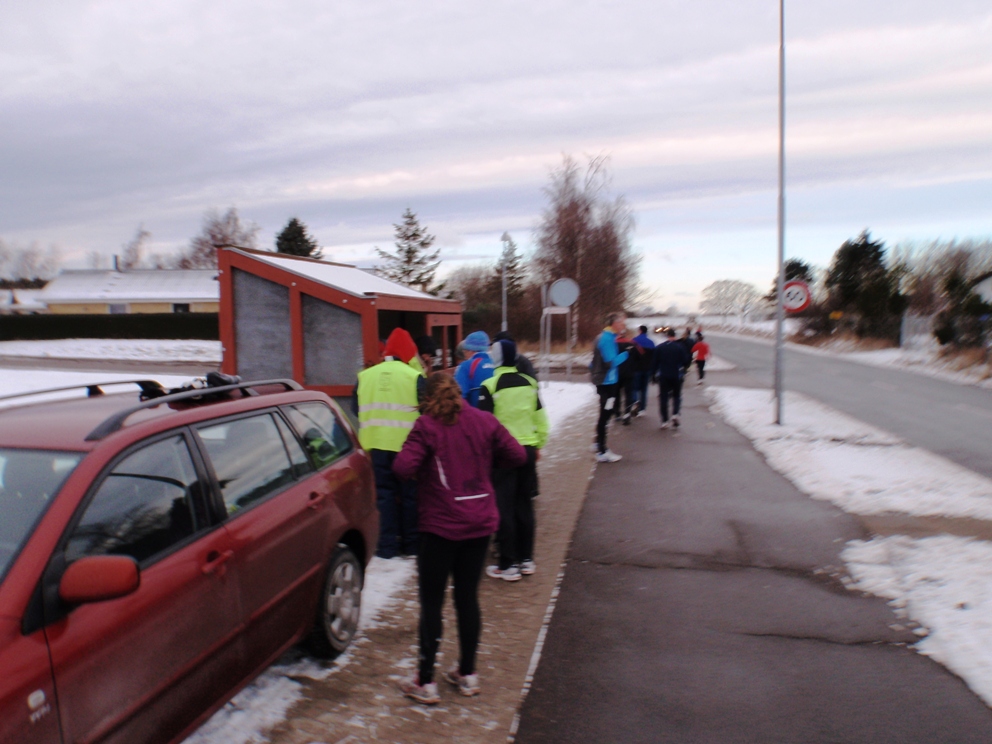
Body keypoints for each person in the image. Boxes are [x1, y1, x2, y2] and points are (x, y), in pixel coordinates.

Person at [393, 373, 527, 705]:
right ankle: (467, 674)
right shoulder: (484, 421)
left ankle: (425, 681)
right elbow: (517, 455)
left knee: (432, 604)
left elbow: (402, 467)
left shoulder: (426, 426)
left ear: (427, 398)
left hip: (439, 527)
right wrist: (483, 466)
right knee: (467, 599)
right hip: (480, 525)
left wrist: (423, 469)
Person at [478, 338, 548, 581]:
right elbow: (541, 419)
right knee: (524, 505)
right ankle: (526, 559)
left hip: (503, 454)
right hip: (528, 449)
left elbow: (485, 426)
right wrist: (538, 444)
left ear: (495, 358)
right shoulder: (530, 383)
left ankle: (507, 564)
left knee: (503, 507)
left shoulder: (490, 386)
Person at [354, 328, 425, 558]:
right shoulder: (414, 377)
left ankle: (386, 546)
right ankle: (411, 544)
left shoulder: (365, 376)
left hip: (375, 446)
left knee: (383, 496)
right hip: (407, 448)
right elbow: (426, 412)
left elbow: (356, 409)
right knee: (409, 496)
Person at [589, 312, 629, 462]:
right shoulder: (606, 339)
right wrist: (626, 355)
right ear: (614, 323)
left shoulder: (605, 336)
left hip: (605, 381)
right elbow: (610, 362)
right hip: (607, 383)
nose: (623, 326)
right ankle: (602, 451)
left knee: (605, 413)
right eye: (622, 323)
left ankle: (598, 443)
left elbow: (593, 362)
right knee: (605, 415)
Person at [652, 328, 691, 429]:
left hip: (663, 375)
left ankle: (664, 421)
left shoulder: (660, 347)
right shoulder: (680, 347)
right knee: (677, 396)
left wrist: (652, 375)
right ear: (675, 335)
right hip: (676, 375)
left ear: (667, 336)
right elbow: (686, 360)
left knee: (663, 397)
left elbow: (655, 363)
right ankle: (675, 414)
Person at [454, 331, 494, 407]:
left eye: (465, 351)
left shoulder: (465, 366)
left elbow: (457, 396)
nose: (464, 355)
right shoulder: (496, 364)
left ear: (471, 350)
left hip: (475, 415)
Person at [631, 325, 655, 416]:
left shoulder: (634, 341)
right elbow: (654, 357)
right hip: (647, 369)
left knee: (634, 388)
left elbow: (631, 355)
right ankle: (642, 409)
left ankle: (635, 401)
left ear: (640, 331)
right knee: (644, 390)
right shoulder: (651, 343)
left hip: (636, 369)